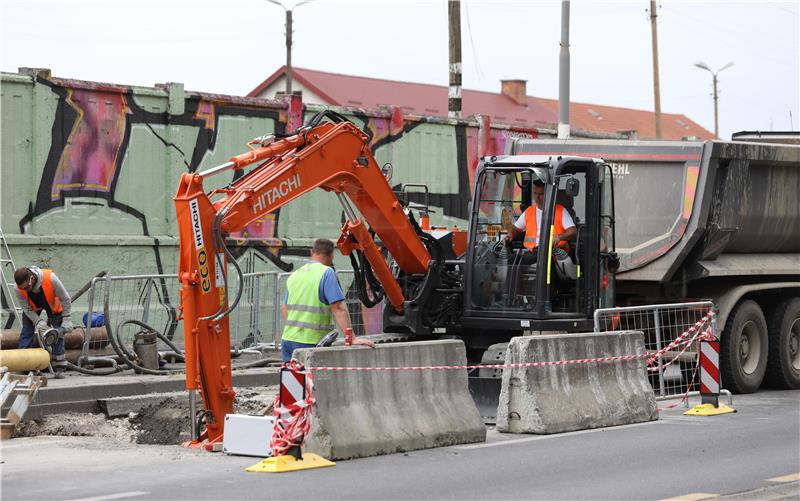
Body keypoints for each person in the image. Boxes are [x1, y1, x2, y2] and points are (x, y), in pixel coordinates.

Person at [281, 238, 375, 363]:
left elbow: (284, 307)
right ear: (331, 255)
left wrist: (297, 330)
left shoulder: (295, 274)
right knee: (314, 381)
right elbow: (338, 308)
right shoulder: (326, 273)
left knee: (292, 381)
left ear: (312, 252)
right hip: (311, 342)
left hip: (288, 340)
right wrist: (351, 338)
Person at [14, 266, 74, 377]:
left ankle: (59, 366)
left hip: (51, 304)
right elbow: (26, 309)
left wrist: (66, 319)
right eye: (23, 289)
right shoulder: (18, 288)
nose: (25, 290)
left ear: (32, 279)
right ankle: (25, 364)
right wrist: (38, 322)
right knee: (27, 330)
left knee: (57, 330)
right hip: (32, 307)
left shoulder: (51, 278)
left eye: (27, 287)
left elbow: (66, 299)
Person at [504, 180, 577, 253]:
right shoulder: (529, 211)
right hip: (532, 252)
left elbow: (572, 231)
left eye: (541, 194)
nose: (537, 197)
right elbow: (516, 228)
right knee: (510, 260)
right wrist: (510, 234)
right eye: (535, 193)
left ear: (548, 194)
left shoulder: (560, 211)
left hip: (554, 253)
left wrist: (559, 237)